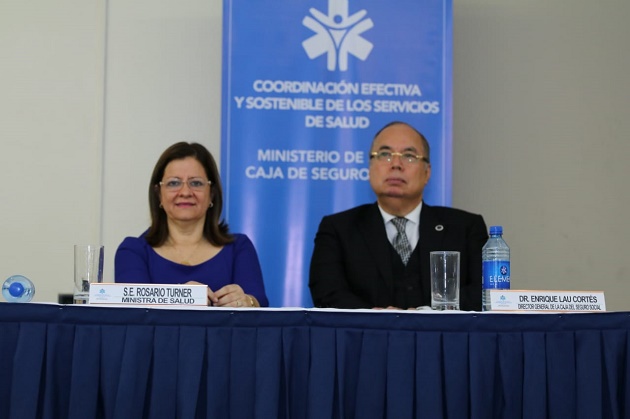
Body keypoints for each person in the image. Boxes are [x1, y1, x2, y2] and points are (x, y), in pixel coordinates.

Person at [309, 121, 488, 311]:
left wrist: (427, 314)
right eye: (385, 155)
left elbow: (484, 292)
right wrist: (372, 317)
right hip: (364, 338)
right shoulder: (338, 229)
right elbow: (326, 293)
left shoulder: (466, 228)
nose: (396, 164)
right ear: (370, 167)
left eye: (409, 156)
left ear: (427, 173)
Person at [115, 142, 269, 307]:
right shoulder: (133, 252)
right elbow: (133, 319)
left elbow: (260, 309)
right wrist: (182, 297)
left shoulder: (238, 248)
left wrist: (248, 302)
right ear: (159, 194)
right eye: (174, 183)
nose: (185, 192)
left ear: (212, 194)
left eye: (196, 183)